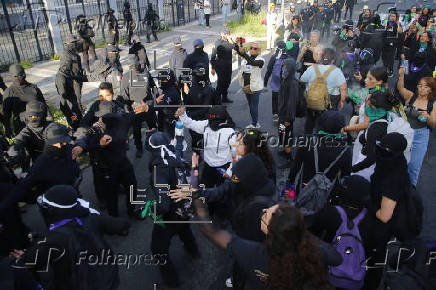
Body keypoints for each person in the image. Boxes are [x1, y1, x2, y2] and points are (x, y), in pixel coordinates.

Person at [191, 199, 342, 290]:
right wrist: (300, 232)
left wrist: (196, 196)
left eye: (266, 215)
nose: (263, 210)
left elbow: (209, 230)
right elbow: (337, 258)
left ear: (272, 232)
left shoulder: (251, 252)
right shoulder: (311, 251)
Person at [11, 185, 130, 290]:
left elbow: (26, 261)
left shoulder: (54, 240)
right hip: (108, 277)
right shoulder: (91, 218)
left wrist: (21, 257)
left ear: (51, 211)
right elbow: (121, 225)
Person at [368, 133, 421, 289]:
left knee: (374, 262)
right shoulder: (395, 163)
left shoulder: (393, 177)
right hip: (380, 226)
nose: (380, 152)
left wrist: (367, 204)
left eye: (385, 150)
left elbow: (384, 216)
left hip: (381, 229)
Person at [147, 132, 198, 289]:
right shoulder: (175, 157)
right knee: (184, 228)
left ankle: (172, 282)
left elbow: (163, 205)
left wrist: (150, 209)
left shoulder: (159, 170)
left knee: (157, 248)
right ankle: (193, 251)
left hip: (170, 215)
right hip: (185, 207)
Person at [72, 101, 139, 217]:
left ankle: (132, 211)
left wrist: (148, 106)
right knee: (111, 194)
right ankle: (115, 218)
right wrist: (97, 145)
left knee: (132, 186)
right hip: (107, 166)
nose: (100, 120)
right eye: (99, 117)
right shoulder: (95, 129)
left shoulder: (122, 122)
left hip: (123, 162)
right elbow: (84, 138)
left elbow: (134, 114)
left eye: (104, 118)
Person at [0, 122, 80, 216]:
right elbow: (22, 187)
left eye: (63, 141)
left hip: (75, 197)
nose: (61, 145)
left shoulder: (68, 148)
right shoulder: (41, 164)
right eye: (57, 143)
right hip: (57, 208)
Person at [174, 105, 236, 188]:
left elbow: (236, 154)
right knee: (204, 189)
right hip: (208, 166)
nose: (211, 123)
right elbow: (191, 123)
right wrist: (182, 114)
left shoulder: (230, 133)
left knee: (221, 192)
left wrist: (230, 171)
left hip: (222, 168)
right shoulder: (207, 124)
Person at [288, 110, 351, 190]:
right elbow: (345, 176)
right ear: (341, 128)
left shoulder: (306, 141)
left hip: (306, 187)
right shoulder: (345, 150)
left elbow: (295, 168)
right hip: (328, 190)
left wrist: (290, 185)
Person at [398, 71, 436, 187]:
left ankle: (410, 193)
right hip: (405, 132)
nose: (422, 89)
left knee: (414, 166)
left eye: (425, 86)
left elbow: (433, 124)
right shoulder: (411, 97)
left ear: (431, 89)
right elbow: (400, 88)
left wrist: (428, 117)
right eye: (420, 86)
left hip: (420, 136)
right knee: (399, 162)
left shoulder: (433, 104)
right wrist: (401, 75)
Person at [300, 47, 347, 133]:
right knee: (326, 122)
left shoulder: (311, 68)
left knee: (310, 120)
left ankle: (307, 141)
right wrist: (342, 101)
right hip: (330, 101)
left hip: (312, 99)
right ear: (333, 60)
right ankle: (321, 140)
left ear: (321, 58)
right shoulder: (337, 71)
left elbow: (302, 80)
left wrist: (306, 90)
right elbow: (343, 88)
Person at [2, 64, 51, 138]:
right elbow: (6, 113)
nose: (19, 78)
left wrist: (50, 117)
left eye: (21, 75)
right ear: (11, 76)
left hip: (39, 123)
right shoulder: (9, 92)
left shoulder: (33, 88)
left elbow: (43, 104)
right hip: (22, 126)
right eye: (16, 76)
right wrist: (7, 129)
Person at [6, 101, 51, 169]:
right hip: (39, 165)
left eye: (36, 116)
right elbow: (17, 142)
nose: (33, 118)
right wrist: (13, 154)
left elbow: (70, 134)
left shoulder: (52, 126)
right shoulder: (26, 131)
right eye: (31, 116)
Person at [56, 35, 87, 130]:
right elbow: (63, 99)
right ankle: (76, 124)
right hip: (72, 87)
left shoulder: (73, 53)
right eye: (72, 43)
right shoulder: (66, 55)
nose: (74, 44)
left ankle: (79, 117)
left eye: (75, 42)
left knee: (78, 101)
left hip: (76, 81)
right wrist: (70, 114)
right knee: (75, 104)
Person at [235, 41, 264, 128]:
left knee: (253, 106)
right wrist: (236, 46)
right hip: (246, 86)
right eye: (251, 47)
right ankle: (254, 122)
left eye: (254, 48)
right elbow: (241, 54)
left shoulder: (261, 60)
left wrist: (244, 54)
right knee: (251, 106)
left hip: (255, 87)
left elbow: (252, 62)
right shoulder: (248, 56)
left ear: (258, 50)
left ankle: (254, 124)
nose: (252, 49)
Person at [278, 58, 303, 160]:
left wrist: (288, 119)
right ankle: (285, 150)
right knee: (282, 133)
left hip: (286, 116)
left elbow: (292, 103)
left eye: (285, 67)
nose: (283, 69)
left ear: (291, 69)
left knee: (286, 135)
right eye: (283, 67)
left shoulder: (292, 84)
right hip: (283, 115)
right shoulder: (286, 79)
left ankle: (289, 158)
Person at [264, 41, 290, 123]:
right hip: (285, 82)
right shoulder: (288, 57)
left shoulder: (274, 57)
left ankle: (275, 114)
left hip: (275, 82)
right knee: (284, 98)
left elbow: (269, 70)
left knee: (275, 98)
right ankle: (282, 113)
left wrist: (265, 82)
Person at [211, 28, 234, 103]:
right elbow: (213, 56)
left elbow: (235, 47)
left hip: (228, 65)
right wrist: (213, 68)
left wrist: (231, 40)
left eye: (228, 34)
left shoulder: (229, 41)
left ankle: (224, 98)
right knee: (221, 84)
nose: (227, 35)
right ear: (221, 34)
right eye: (225, 34)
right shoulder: (218, 43)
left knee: (227, 82)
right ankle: (217, 101)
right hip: (220, 66)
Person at [383, 11, 402, 77]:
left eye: (394, 16)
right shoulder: (386, 23)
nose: (392, 17)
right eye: (391, 16)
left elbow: (400, 31)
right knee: (384, 57)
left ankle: (390, 70)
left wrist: (398, 23)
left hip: (393, 43)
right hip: (385, 43)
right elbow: (383, 29)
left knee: (391, 57)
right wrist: (385, 22)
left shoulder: (397, 24)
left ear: (396, 17)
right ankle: (385, 68)